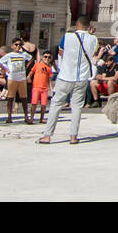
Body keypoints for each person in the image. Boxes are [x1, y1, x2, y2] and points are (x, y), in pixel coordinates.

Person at [39, 15, 99, 145]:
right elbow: (93, 52)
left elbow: (60, 52)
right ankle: (73, 136)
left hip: (66, 75)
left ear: (77, 24)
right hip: (82, 77)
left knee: (56, 104)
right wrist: (90, 34)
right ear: (89, 26)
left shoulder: (68, 36)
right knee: (77, 107)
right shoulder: (93, 39)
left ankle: (47, 135)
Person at [0, 38, 33, 124]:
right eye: (16, 44)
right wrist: (5, 69)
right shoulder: (9, 55)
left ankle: (26, 116)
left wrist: (26, 67)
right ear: (12, 46)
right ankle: (9, 116)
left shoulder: (23, 54)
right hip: (12, 78)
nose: (18, 46)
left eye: (20, 45)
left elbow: (31, 59)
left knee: (24, 98)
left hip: (22, 78)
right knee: (10, 98)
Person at [29, 52, 54, 124]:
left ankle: (42, 118)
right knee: (34, 103)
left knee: (43, 104)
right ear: (42, 57)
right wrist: (29, 77)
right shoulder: (37, 65)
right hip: (36, 87)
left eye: (49, 57)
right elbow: (31, 72)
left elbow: (49, 79)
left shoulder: (49, 68)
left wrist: (51, 88)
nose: (47, 59)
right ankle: (31, 118)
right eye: (45, 57)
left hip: (44, 88)